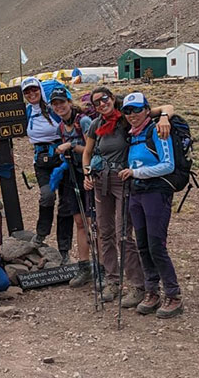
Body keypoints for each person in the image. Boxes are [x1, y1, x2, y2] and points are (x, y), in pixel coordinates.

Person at [79, 88, 173, 307]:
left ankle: (138, 285)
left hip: (124, 180)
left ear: (112, 99)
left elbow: (166, 108)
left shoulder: (127, 117)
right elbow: (87, 152)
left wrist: (165, 117)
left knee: (124, 233)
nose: (101, 104)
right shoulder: (96, 124)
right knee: (105, 232)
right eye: (96, 103)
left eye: (104, 99)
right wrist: (86, 173)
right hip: (101, 181)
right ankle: (112, 280)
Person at [117, 92, 183, 319]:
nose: (132, 115)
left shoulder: (157, 130)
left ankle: (173, 295)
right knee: (143, 243)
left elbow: (168, 165)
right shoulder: (132, 135)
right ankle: (152, 290)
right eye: (127, 111)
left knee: (156, 244)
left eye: (136, 109)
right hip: (137, 192)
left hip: (156, 192)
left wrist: (136, 172)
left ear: (146, 109)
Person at [21, 77, 72, 261]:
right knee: (47, 195)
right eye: (27, 92)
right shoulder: (27, 112)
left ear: (40, 89)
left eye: (34, 89)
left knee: (66, 203)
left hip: (62, 157)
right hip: (41, 160)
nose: (31, 94)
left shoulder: (53, 109)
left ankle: (64, 248)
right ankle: (41, 234)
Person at [47, 86, 95, 270]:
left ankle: (101, 267)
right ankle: (84, 266)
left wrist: (71, 146)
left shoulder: (83, 122)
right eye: (55, 104)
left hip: (88, 176)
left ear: (69, 101)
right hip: (72, 175)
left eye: (62, 102)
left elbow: (94, 150)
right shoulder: (61, 126)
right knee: (79, 221)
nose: (59, 107)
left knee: (92, 222)